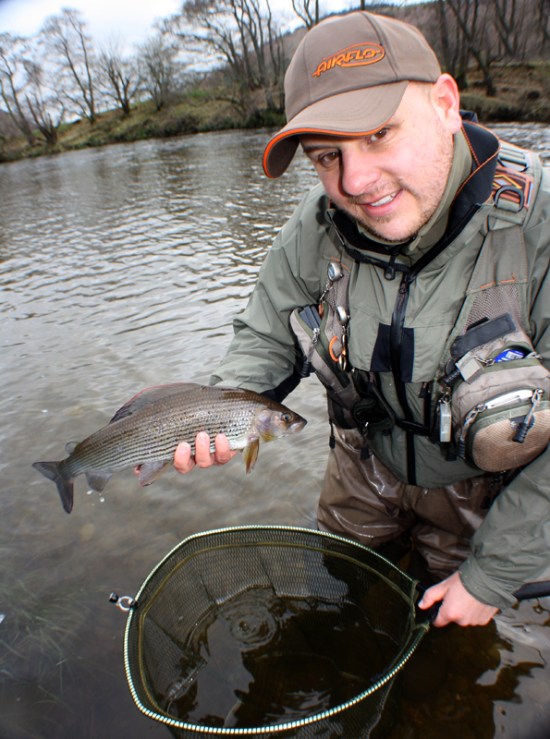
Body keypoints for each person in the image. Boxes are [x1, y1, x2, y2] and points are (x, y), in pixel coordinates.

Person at [172, 11, 550, 628]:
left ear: (446, 104)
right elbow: (266, 330)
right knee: (346, 588)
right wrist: (220, 408)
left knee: (456, 641)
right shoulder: (316, 225)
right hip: (363, 458)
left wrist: (492, 576)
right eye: (326, 157)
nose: (355, 181)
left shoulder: (539, 224)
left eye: (379, 134)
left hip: (483, 481)